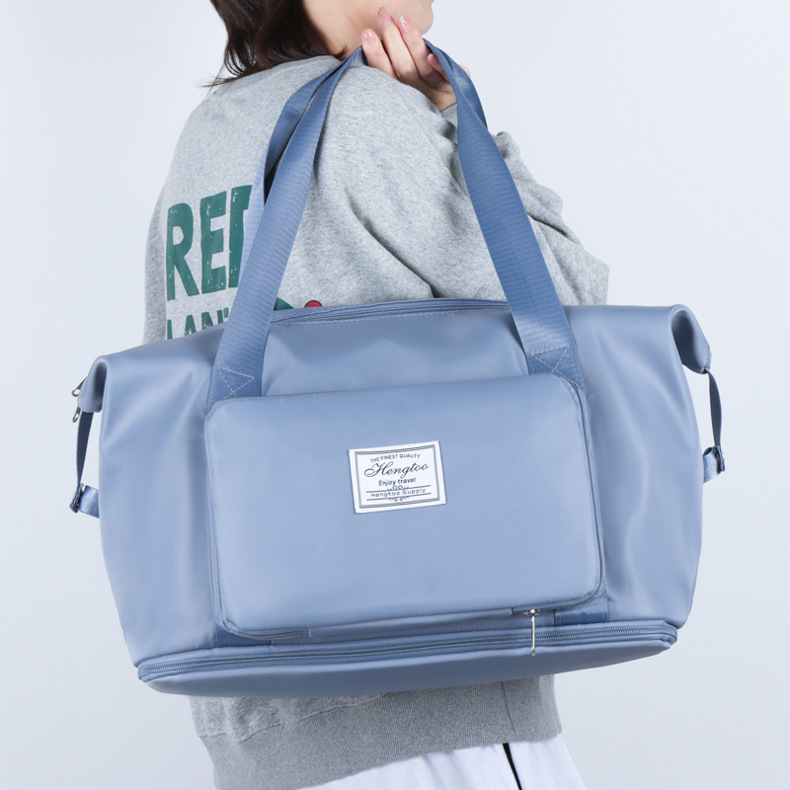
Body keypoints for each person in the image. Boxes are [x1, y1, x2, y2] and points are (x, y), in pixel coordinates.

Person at [143, 2, 608, 788]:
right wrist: (454, 123)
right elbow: (576, 305)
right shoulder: (365, 115)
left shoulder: (205, 139)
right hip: (432, 716)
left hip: (260, 729)